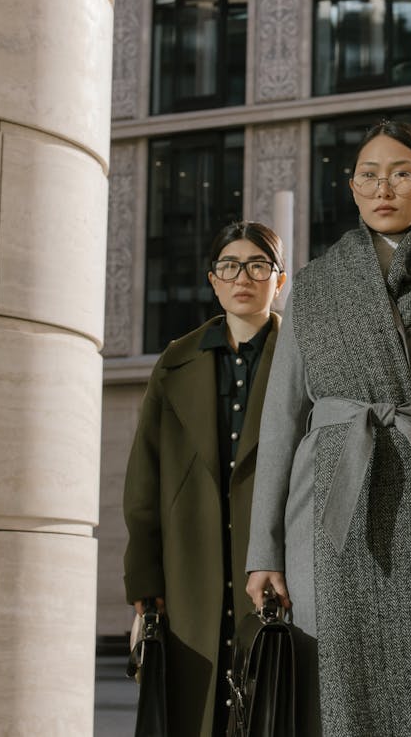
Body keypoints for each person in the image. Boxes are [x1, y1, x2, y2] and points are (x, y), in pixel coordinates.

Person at [245, 120, 411, 737]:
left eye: (403, 173)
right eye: (370, 175)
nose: (385, 188)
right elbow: (279, 422)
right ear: (352, 187)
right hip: (323, 504)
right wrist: (263, 550)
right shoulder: (314, 284)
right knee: (326, 682)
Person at [122, 220, 288, 736]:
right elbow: (143, 483)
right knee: (194, 714)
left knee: (273, 709)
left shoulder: (305, 359)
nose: (244, 277)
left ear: (279, 280)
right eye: (230, 266)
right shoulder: (176, 361)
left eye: (258, 265)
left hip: (276, 571)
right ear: (212, 280)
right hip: (188, 572)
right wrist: (145, 590)